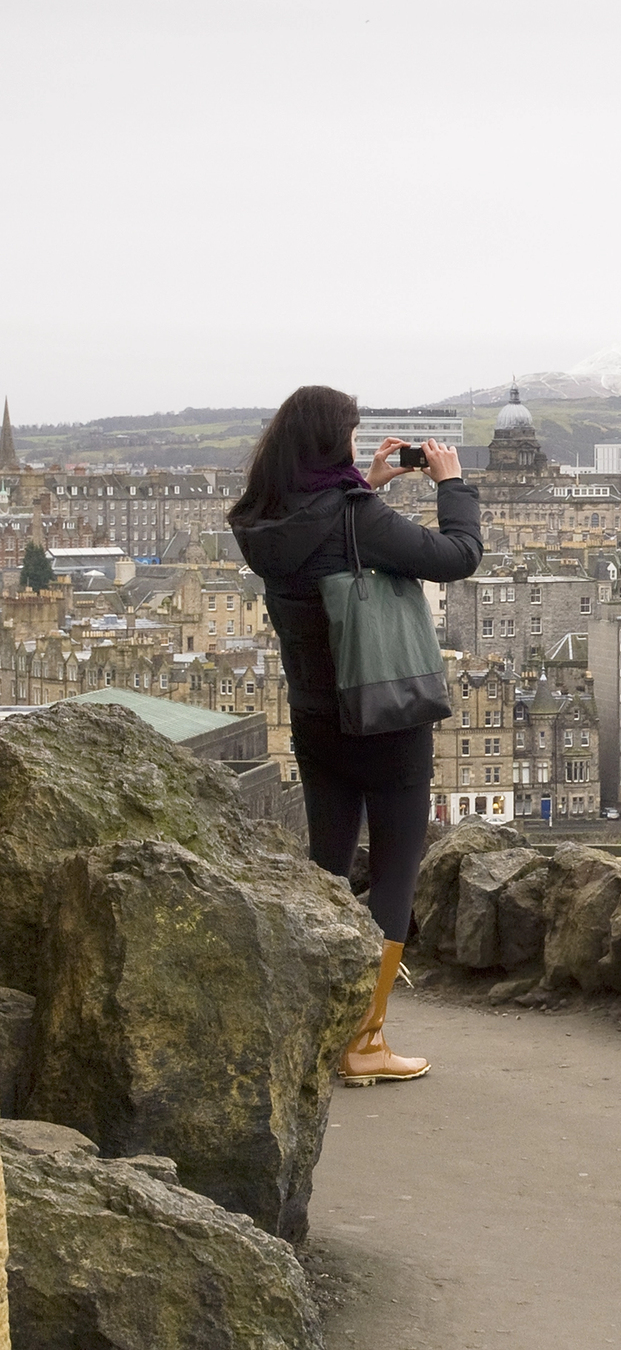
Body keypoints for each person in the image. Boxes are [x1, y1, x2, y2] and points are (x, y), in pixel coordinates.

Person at [231, 385, 483, 1085]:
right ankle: (364, 1040)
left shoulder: (264, 519)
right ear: (327, 444)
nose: (355, 446)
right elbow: (457, 555)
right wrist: (451, 483)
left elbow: (322, 543)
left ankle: (313, 1023)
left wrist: (363, 485)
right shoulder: (352, 516)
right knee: (396, 872)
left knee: (326, 868)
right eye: (349, 437)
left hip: (315, 716)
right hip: (384, 716)